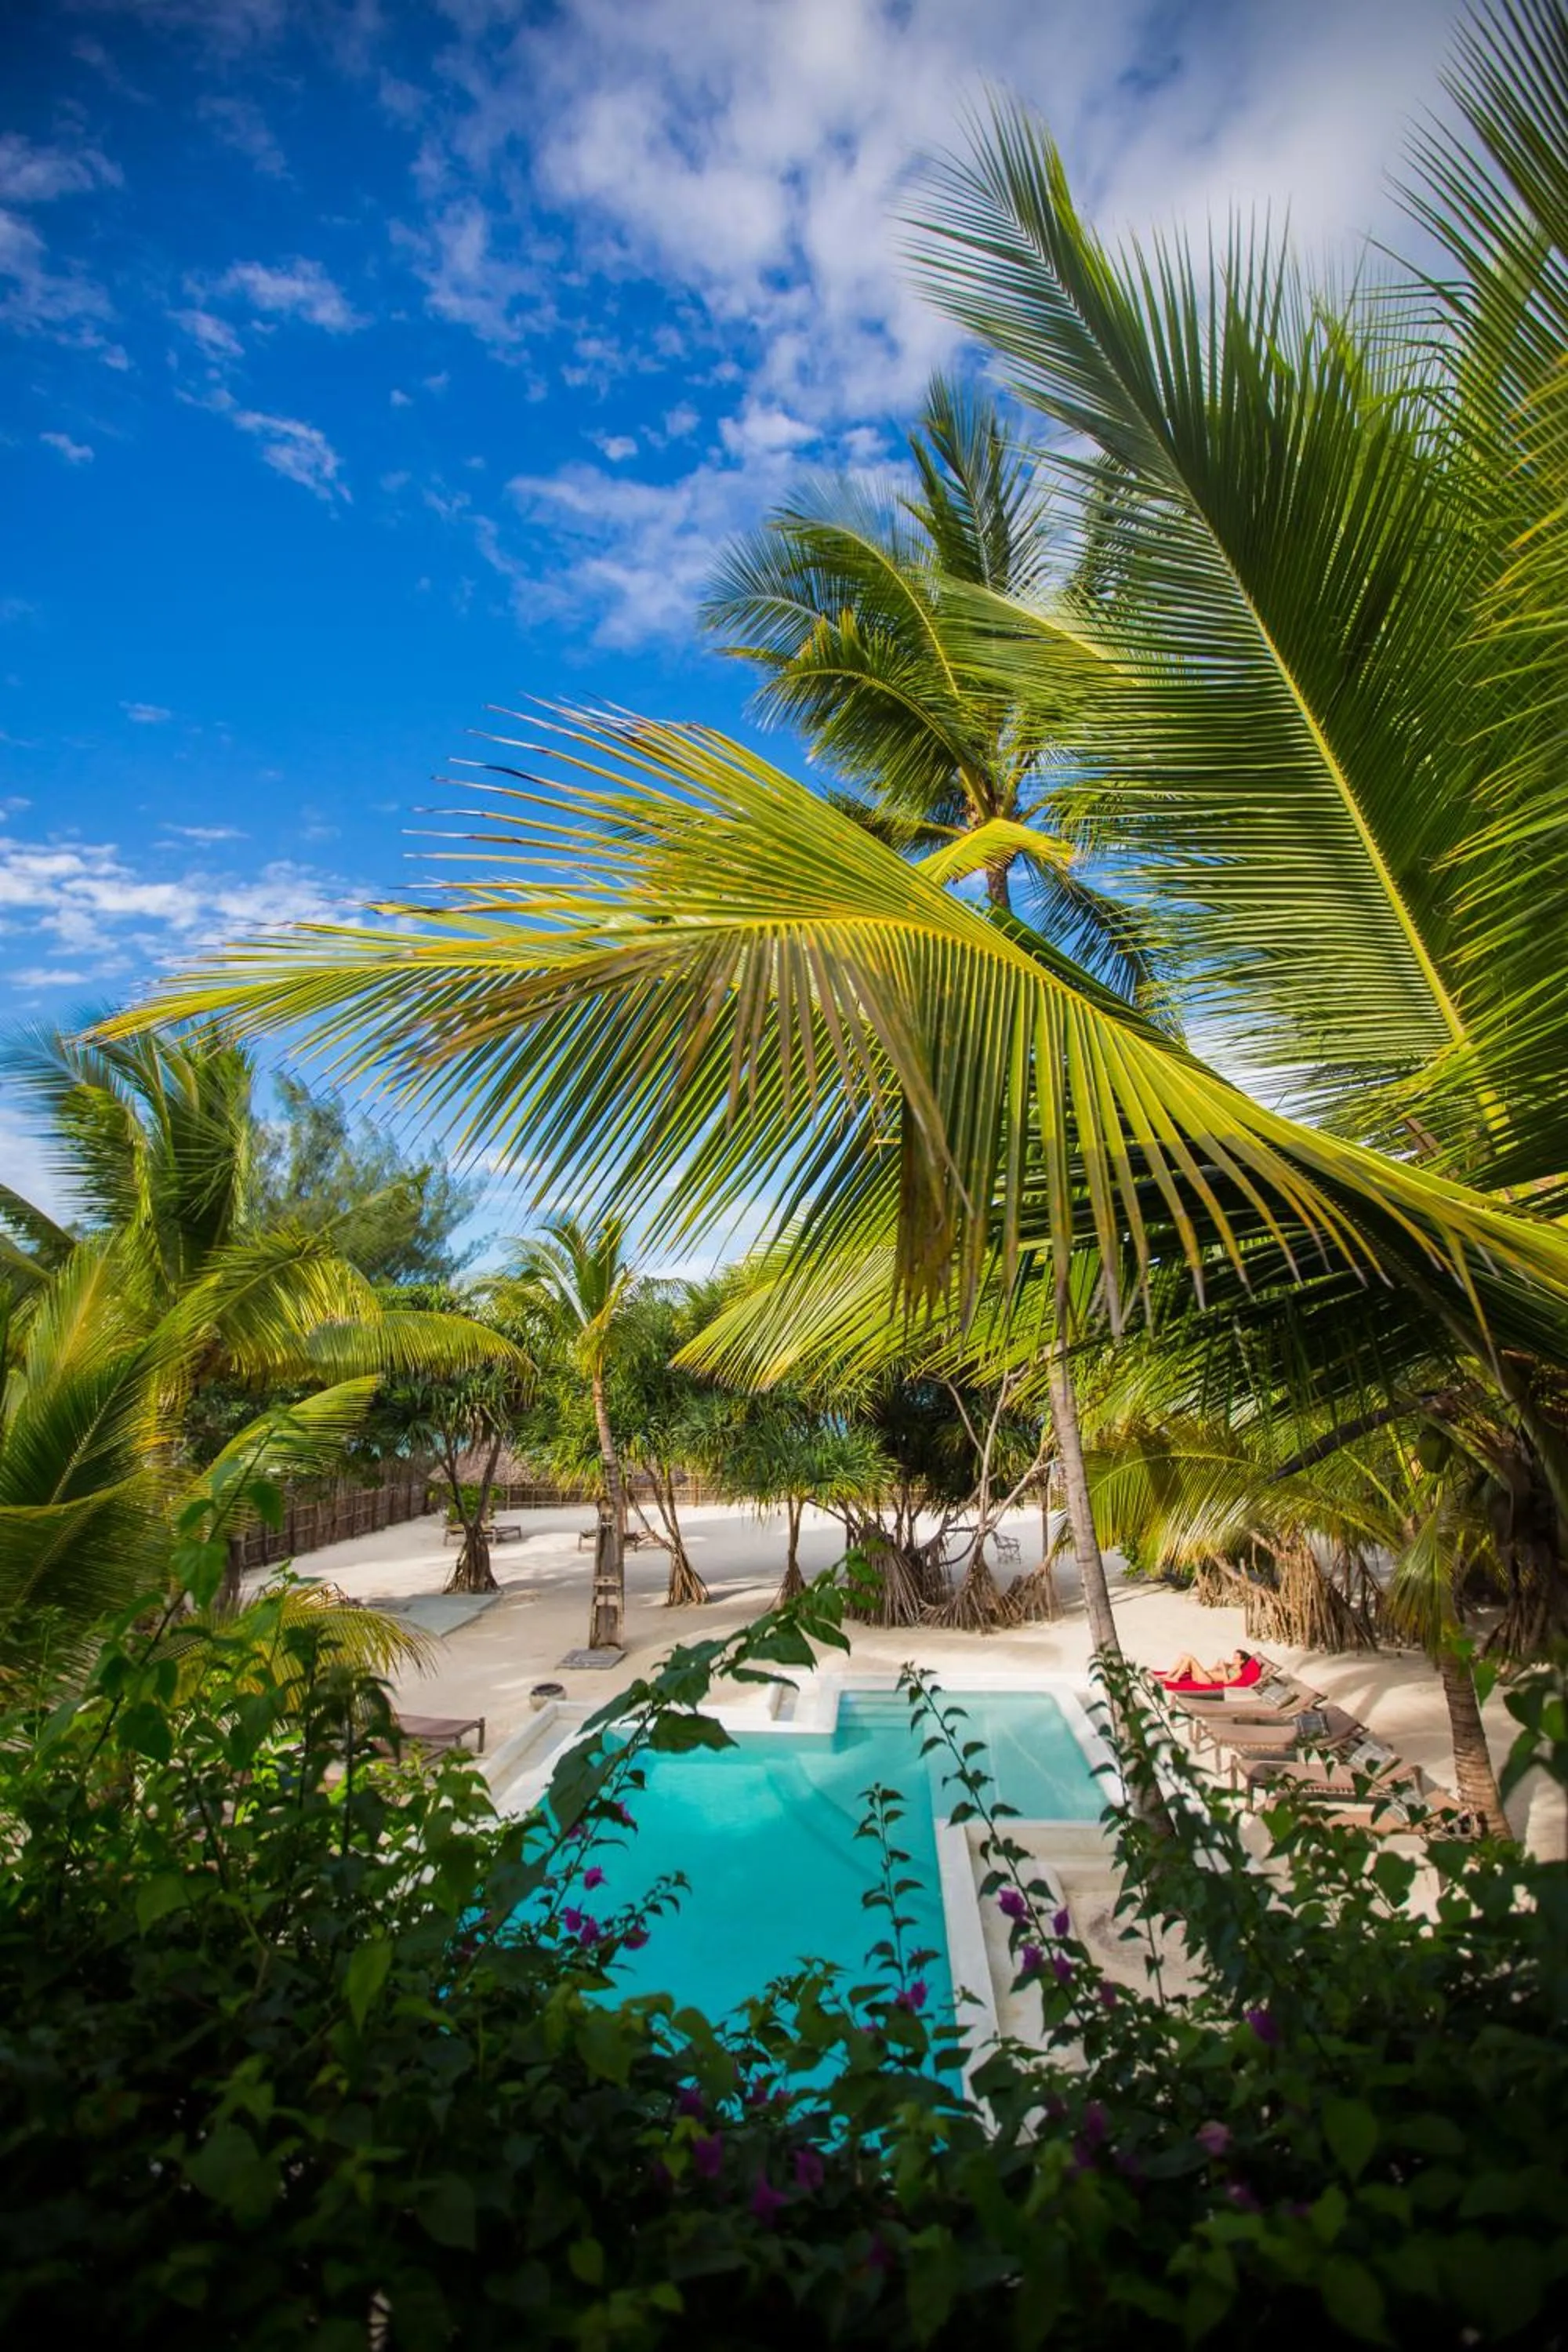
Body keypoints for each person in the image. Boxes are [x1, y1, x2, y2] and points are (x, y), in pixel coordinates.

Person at [1158, 1648, 1262, 1692]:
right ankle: (1169, 1675)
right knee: (1184, 1655)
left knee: (1190, 1657)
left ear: (1242, 1661)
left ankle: (1175, 1678)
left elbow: (1227, 1682)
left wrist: (1224, 1669)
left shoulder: (1239, 1672)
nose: (1233, 1659)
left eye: (1236, 1658)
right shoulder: (1230, 1665)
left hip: (1207, 1681)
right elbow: (1212, 1670)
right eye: (1233, 1656)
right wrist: (1218, 1666)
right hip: (1205, 1675)